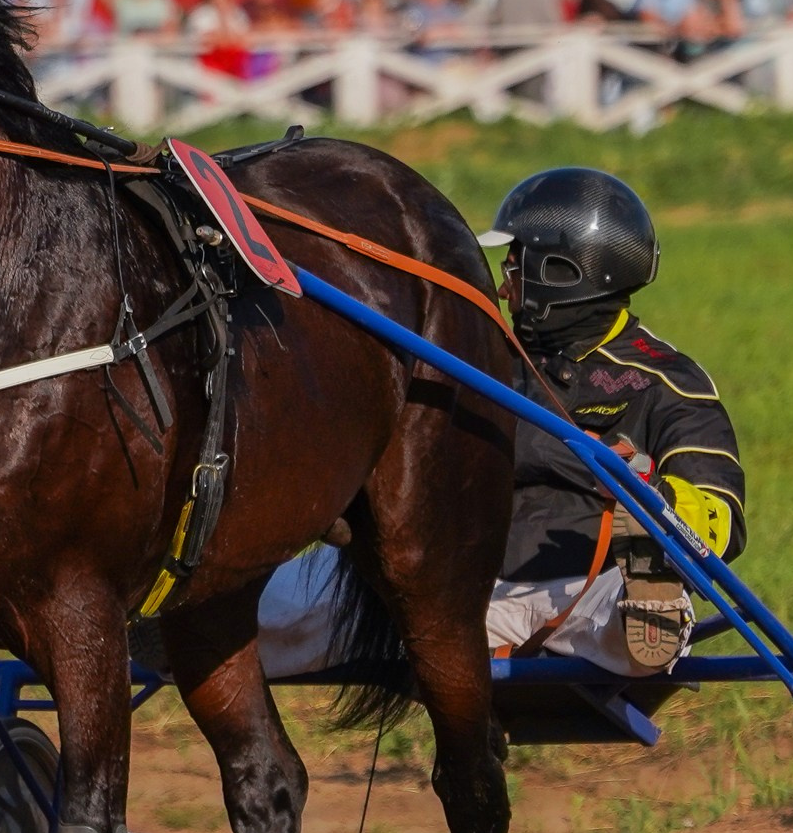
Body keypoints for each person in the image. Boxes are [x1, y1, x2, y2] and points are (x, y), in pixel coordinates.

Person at [259, 169, 745, 680]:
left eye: (518, 258)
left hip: (585, 584)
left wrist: (649, 496)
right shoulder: (475, 357)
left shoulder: (665, 380)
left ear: (563, 271)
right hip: (451, 582)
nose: (505, 274)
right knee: (267, 604)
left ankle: (651, 598)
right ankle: (183, 614)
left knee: (623, 610)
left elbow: (722, 517)